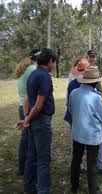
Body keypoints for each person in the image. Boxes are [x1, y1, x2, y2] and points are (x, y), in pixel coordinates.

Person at [17, 48, 57, 194]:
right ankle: (43, 190)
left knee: (32, 156)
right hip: (41, 121)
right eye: (54, 62)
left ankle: (29, 188)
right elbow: (39, 104)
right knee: (43, 159)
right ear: (50, 61)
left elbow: (28, 98)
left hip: (33, 121)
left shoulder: (33, 73)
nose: (54, 65)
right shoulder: (44, 76)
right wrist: (27, 118)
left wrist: (26, 117)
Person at [64, 59, 102, 175]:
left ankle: (100, 165)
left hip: (92, 116)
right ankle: (81, 166)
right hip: (78, 118)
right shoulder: (73, 85)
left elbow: (99, 96)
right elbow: (70, 103)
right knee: (79, 145)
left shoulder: (92, 83)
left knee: (94, 144)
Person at [15, 50, 39, 175]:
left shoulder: (25, 69)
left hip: (21, 106)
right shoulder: (34, 69)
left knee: (25, 137)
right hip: (28, 107)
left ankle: (22, 167)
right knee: (28, 139)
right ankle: (25, 167)